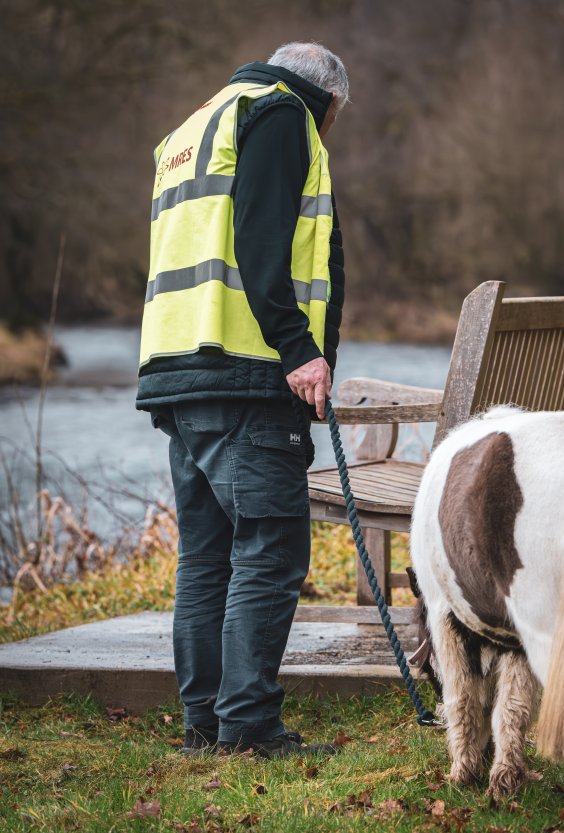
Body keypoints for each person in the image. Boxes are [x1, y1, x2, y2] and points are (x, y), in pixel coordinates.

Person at [135, 42, 348, 759]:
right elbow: (261, 240)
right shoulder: (282, 114)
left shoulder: (192, 128)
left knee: (207, 556)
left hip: (180, 369)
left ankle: (207, 724)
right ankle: (250, 728)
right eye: (335, 120)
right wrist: (299, 348)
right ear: (327, 99)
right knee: (271, 547)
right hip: (249, 374)